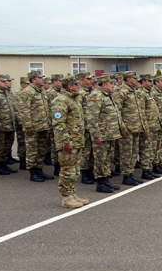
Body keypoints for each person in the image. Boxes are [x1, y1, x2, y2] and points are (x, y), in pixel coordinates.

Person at [51, 76, 89, 208]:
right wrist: (65, 141)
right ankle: (66, 198)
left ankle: (72, 194)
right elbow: (58, 123)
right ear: (70, 86)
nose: (79, 86)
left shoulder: (74, 100)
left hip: (77, 141)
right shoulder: (60, 101)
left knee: (75, 170)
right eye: (76, 84)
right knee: (67, 170)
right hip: (68, 143)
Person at [85, 75, 123, 193]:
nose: (113, 85)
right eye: (111, 83)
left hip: (111, 134)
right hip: (102, 135)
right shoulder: (96, 96)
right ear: (104, 84)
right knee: (100, 159)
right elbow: (92, 118)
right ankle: (101, 182)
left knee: (108, 158)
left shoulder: (108, 96)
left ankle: (106, 180)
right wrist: (96, 135)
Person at [17, 71, 54, 182]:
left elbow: (47, 108)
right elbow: (24, 110)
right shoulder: (27, 92)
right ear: (33, 80)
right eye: (40, 78)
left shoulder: (42, 91)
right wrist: (28, 126)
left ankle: (39, 169)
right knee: (32, 150)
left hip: (43, 126)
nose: (42, 79)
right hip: (33, 127)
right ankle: (33, 172)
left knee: (42, 149)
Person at [118, 71, 148, 185]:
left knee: (134, 152)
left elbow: (140, 111)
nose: (137, 81)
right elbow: (118, 110)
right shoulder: (122, 91)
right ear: (129, 79)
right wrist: (122, 127)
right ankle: (126, 175)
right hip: (127, 128)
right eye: (135, 79)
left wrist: (144, 126)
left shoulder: (134, 92)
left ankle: (131, 173)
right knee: (126, 153)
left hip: (136, 127)